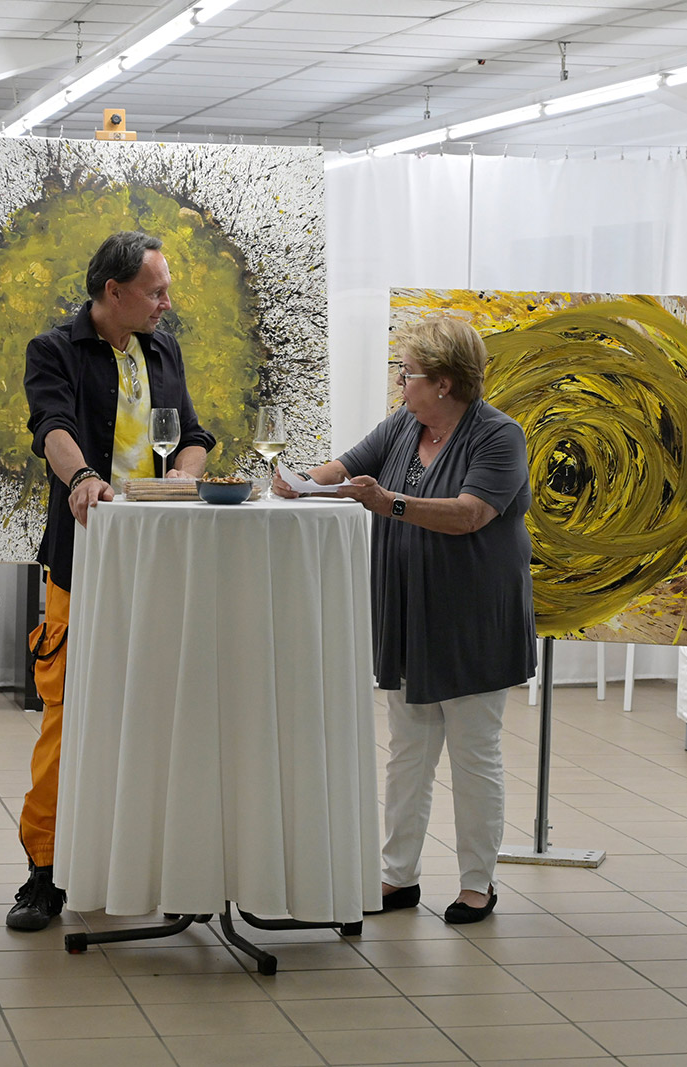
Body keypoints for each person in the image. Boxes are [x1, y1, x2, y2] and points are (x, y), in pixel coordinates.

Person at [273, 316, 536, 925]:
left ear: (443, 383)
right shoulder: (404, 425)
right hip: (409, 613)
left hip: (473, 618)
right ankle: (398, 878)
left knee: (474, 754)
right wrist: (299, 484)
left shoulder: (499, 436)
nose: (400, 383)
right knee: (408, 752)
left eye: (408, 373)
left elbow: (471, 514)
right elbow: (344, 466)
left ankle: (477, 885)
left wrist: (389, 502)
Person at [7, 231, 215, 931]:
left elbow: (191, 431)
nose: (166, 302)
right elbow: (53, 428)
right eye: (155, 290)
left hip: (160, 562)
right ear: (112, 292)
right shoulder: (54, 350)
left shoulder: (164, 348)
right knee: (67, 714)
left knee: (159, 710)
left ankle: (151, 860)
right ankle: (44, 871)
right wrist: (85, 478)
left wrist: (185, 473)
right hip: (83, 561)